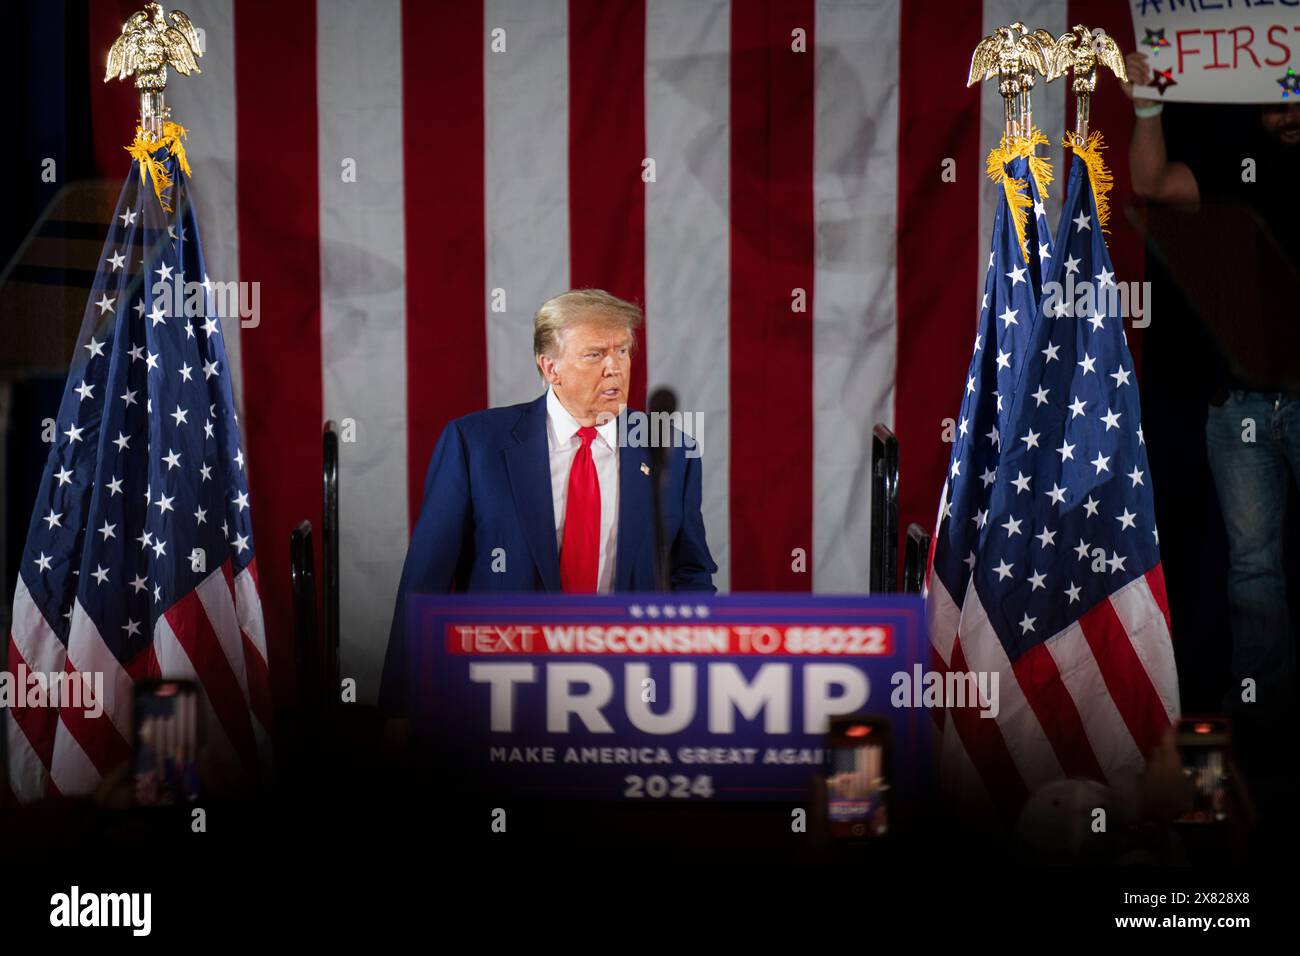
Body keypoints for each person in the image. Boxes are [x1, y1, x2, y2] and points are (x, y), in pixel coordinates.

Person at [378, 289, 717, 715]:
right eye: (595, 354)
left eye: (623, 351)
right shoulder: (477, 444)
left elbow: (690, 573)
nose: (615, 367)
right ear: (550, 367)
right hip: (501, 694)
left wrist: (694, 681)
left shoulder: (670, 450)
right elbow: (424, 584)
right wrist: (400, 711)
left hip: (628, 696)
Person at [1121, 51, 1300, 724]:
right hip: (1238, 406)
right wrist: (1146, 104)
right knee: (1253, 573)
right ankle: (1265, 719)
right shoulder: (1234, 156)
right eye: (1274, 103)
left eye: (1295, 101)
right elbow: (1151, 180)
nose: (1286, 116)